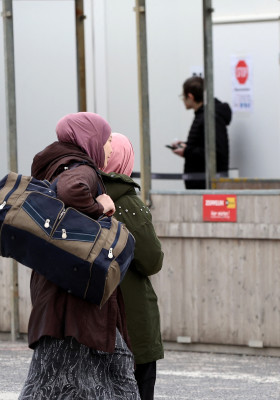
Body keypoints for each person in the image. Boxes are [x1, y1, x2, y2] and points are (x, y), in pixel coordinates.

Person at [19, 112, 140, 400]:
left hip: (59, 291)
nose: (109, 147)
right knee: (117, 377)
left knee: (50, 383)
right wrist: (101, 207)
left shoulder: (52, 167)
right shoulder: (80, 168)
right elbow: (71, 190)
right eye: (106, 139)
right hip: (77, 296)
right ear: (90, 139)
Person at [100, 133, 165, 400]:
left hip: (95, 321)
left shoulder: (84, 194)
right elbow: (151, 260)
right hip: (132, 322)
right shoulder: (126, 202)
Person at [169, 76, 232, 189]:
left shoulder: (210, 117)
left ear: (190, 96)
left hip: (207, 186)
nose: (183, 100)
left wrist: (187, 151)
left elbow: (216, 152)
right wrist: (186, 147)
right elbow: (203, 146)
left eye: (183, 96)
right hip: (202, 184)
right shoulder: (203, 115)